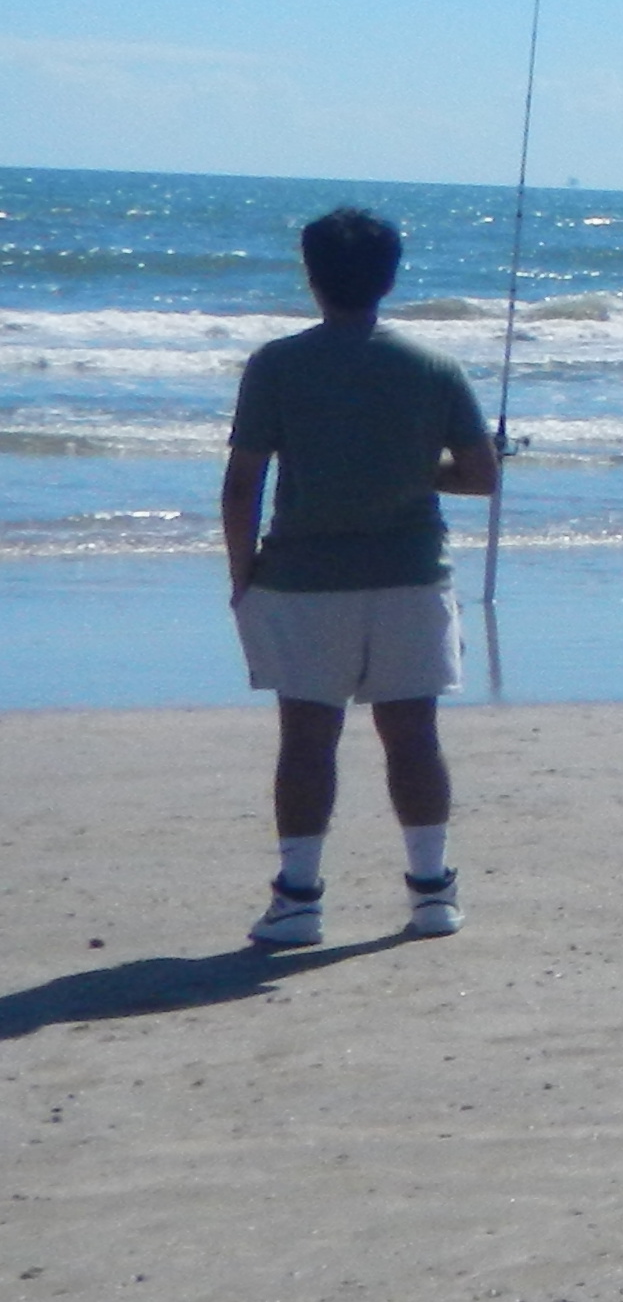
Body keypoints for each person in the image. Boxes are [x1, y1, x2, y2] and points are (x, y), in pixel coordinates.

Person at [223, 205, 500, 947]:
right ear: (390, 277)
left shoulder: (277, 363)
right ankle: (432, 892)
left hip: (304, 578)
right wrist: (413, 466)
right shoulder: (431, 366)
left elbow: (241, 484)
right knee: (413, 736)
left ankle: (299, 898)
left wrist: (242, 574)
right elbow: (480, 475)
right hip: (411, 574)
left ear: (311, 276)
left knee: (308, 739)